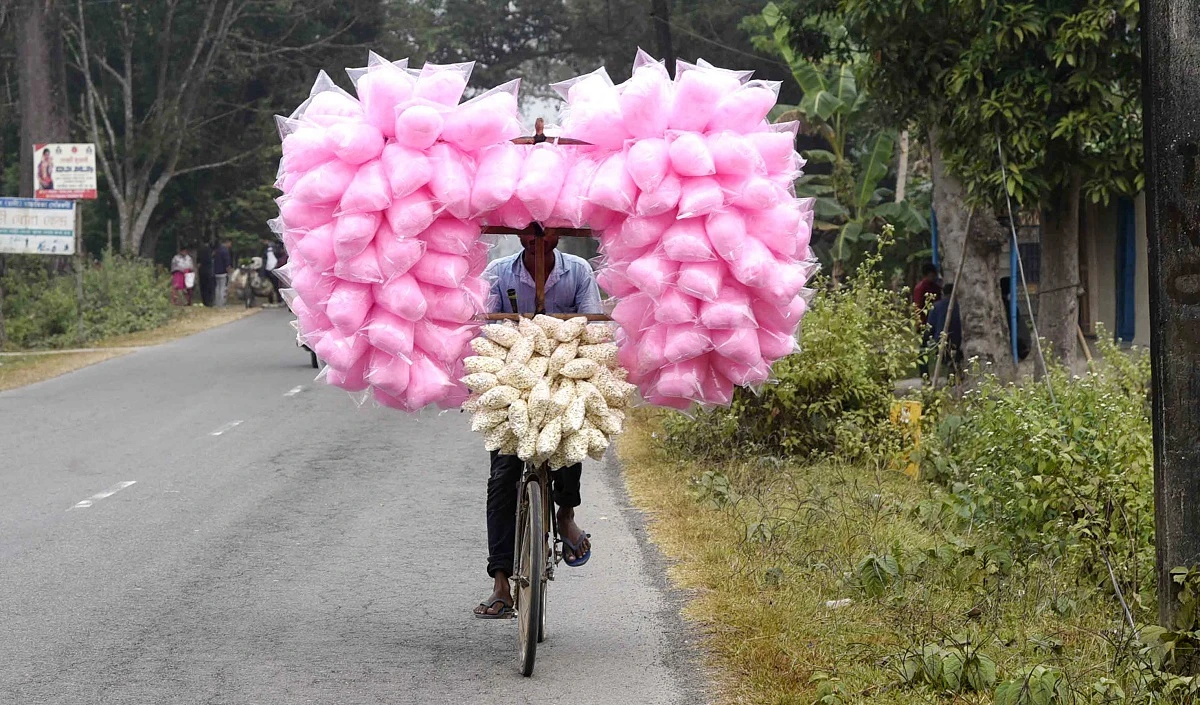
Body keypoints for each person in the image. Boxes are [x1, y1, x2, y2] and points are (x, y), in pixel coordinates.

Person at [473, 225, 603, 619]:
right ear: (519, 238)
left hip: (564, 370)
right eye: (529, 235)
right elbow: (485, 326)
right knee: (502, 477)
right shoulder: (499, 272)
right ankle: (501, 583)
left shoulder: (578, 271)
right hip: (511, 374)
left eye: (545, 235)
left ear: (558, 237)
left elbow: (593, 326)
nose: (536, 241)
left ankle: (565, 515)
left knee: (568, 436)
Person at [928, 283, 963, 375]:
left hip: (940, 339)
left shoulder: (936, 306)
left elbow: (930, 325)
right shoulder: (959, 306)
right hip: (957, 339)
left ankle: (950, 366)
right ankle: (953, 367)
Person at [261, 237, 283, 305]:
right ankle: (272, 300)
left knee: (276, 285)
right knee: (270, 285)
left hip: (274, 267)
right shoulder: (265, 250)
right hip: (268, 268)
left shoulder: (276, 248)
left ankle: (279, 299)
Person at [213, 239, 233, 307]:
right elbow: (227, 262)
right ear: (227, 242)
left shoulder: (217, 250)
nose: (230, 245)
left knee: (217, 287)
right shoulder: (225, 251)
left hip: (216, 271)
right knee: (222, 287)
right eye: (230, 243)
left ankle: (217, 302)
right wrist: (229, 271)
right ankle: (221, 303)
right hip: (223, 272)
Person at [197, 241, 215, 307]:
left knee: (203, 287)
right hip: (209, 271)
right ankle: (209, 301)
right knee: (209, 287)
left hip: (202, 271)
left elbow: (198, 263)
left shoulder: (200, 250)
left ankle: (204, 301)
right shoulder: (210, 250)